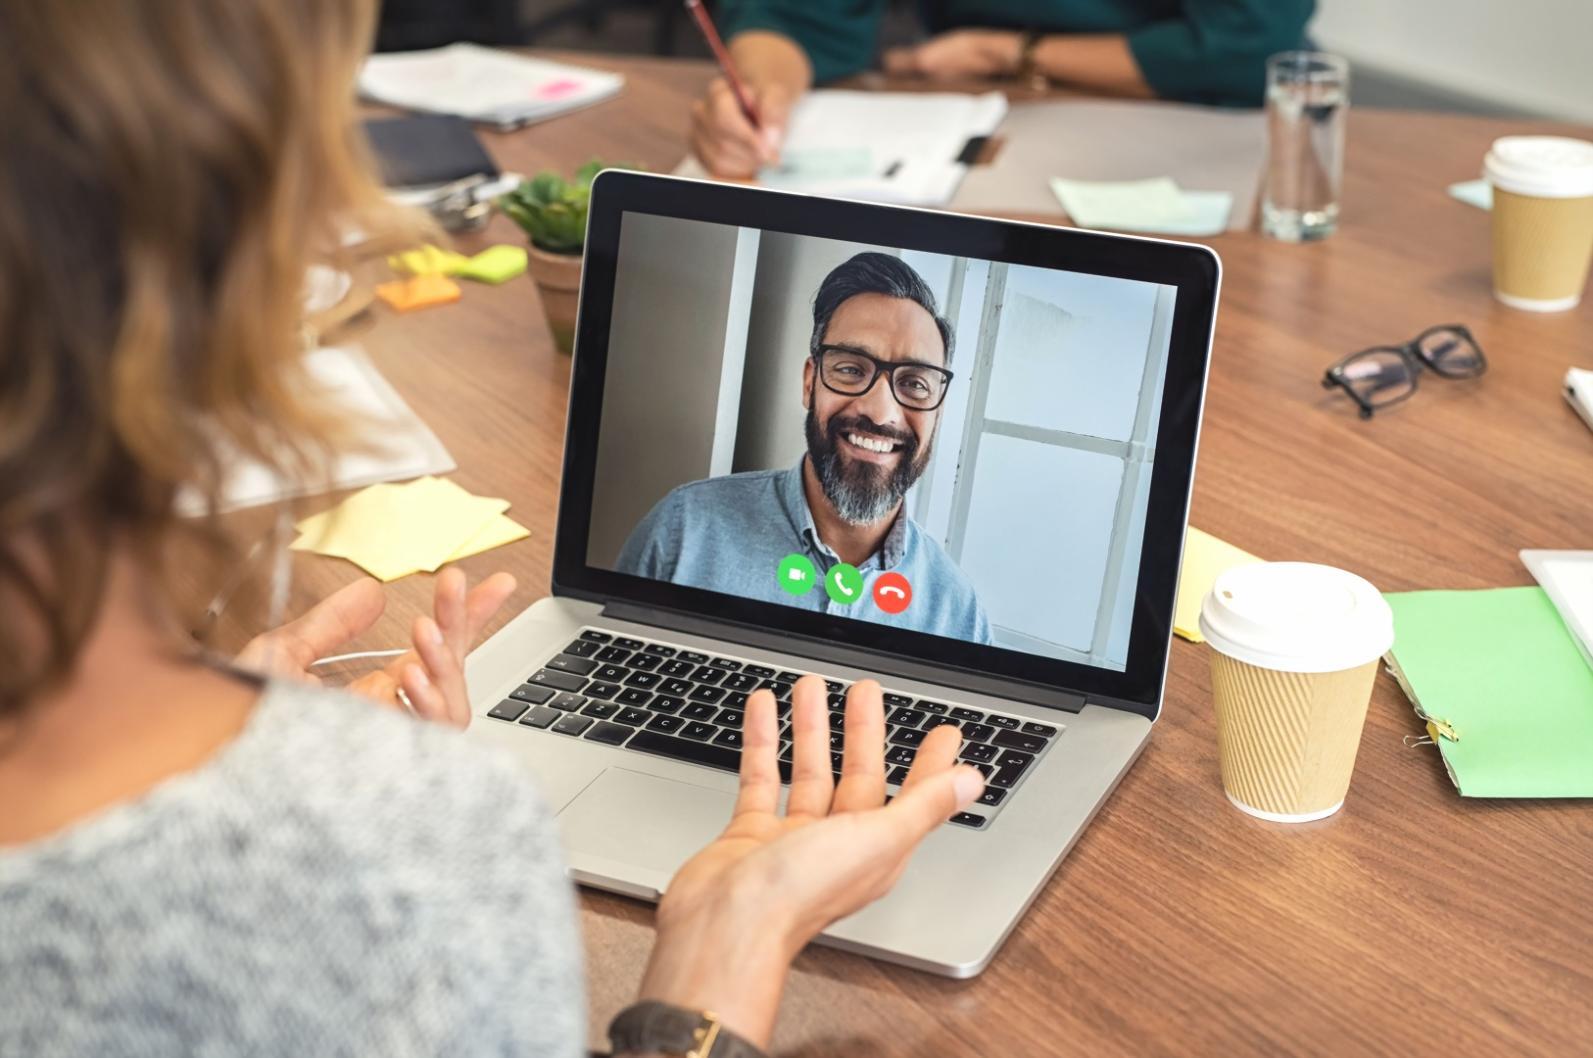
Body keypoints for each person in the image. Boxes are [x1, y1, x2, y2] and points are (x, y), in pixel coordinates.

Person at [0, 3, 985, 1056]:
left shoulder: (957, 596)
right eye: (853, 368)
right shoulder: (419, 862)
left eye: (915, 380)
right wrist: (721, 951)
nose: (882, 404)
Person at [617, 253, 993, 644]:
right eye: (850, 369)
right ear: (810, 383)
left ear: (938, 413)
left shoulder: (959, 615)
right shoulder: (682, 530)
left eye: (915, 383)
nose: (881, 413)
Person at [692, 0, 1316, 177]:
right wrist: (759, 93)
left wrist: (1010, 50)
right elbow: (793, 17)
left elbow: (1247, 43)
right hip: (975, 119)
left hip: (1211, 127)